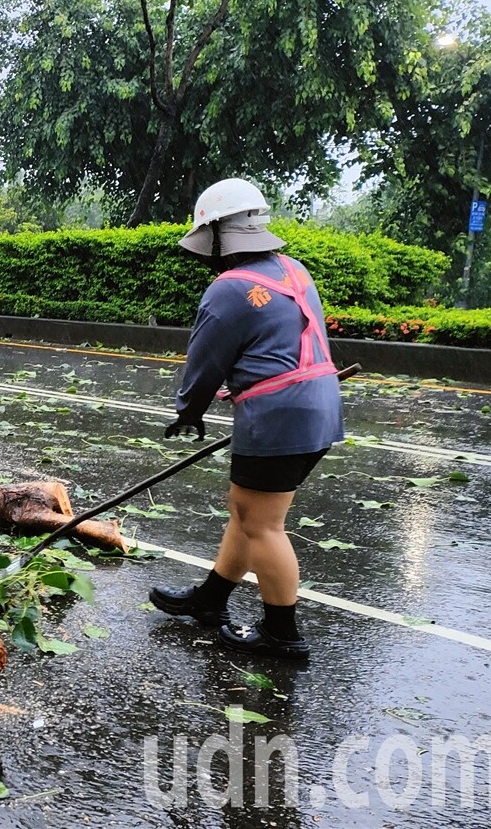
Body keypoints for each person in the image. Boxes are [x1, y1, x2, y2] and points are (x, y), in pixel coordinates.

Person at [149, 177, 344, 662]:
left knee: (263, 525)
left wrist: (189, 412)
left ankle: (282, 633)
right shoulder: (293, 271)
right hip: (316, 406)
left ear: (218, 236)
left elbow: (206, 361)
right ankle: (210, 600)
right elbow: (280, 343)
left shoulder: (230, 289)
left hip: (280, 417)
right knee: (247, 512)